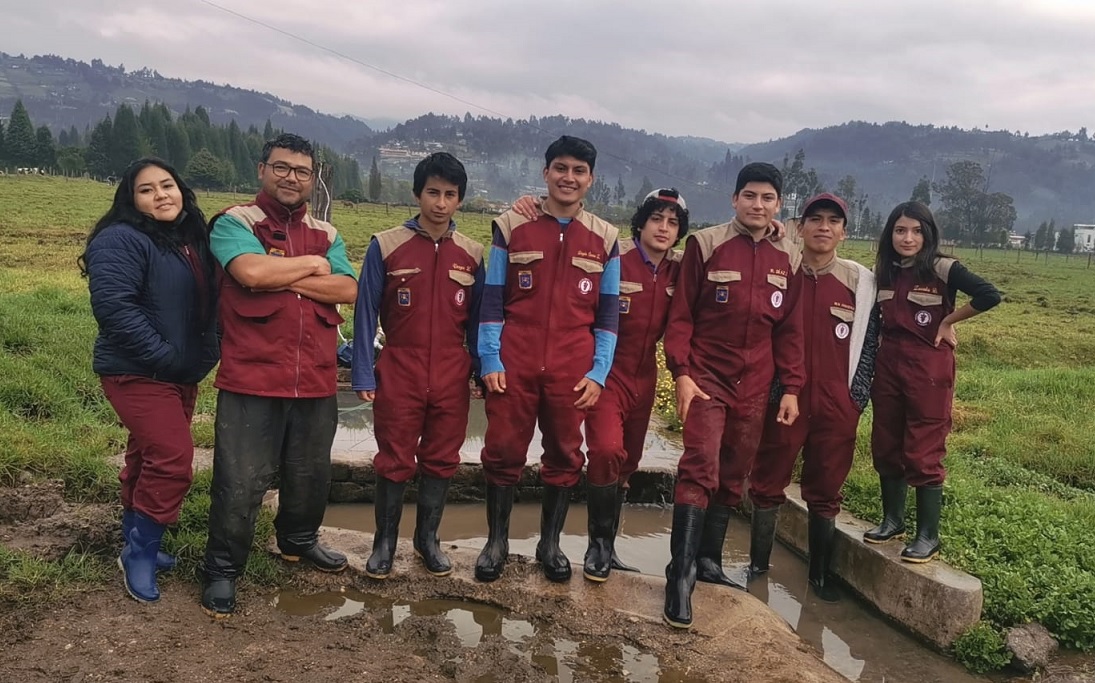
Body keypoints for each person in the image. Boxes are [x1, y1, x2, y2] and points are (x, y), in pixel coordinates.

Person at [199, 133, 359, 617]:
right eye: (282, 167)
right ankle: (222, 569)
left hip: (315, 377)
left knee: (310, 474)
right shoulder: (234, 222)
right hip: (252, 379)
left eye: (302, 171)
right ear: (262, 170)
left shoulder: (327, 234)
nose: (292, 178)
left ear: (314, 179)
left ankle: (298, 540)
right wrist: (310, 269)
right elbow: (249, 273)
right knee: (240, 480)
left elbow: (348, 287)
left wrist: (285, 269)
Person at [513, 188, 687, 582]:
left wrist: (777, 230)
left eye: (673, 222)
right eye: (656, 219)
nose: (663, 228)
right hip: (607, 370)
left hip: (646, 375)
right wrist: (532, 203)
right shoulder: (616, 257)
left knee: (627, 462)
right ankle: (596, 547)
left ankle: (610, 545)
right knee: (605, 450)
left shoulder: (680, 269)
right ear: (640, 222)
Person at [662, 162, 805, 629]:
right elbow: (681, 316)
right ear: (734, 199)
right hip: (706, 375)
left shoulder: (791, 255)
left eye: (767, 198)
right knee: (699, 465)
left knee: (734, 472)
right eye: (749, 196)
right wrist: (681, 372)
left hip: (756, 382)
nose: (757, 205)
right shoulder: (705, 244)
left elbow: (790, 332)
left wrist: (792, 389)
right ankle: (679, 575)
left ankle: (708, 562)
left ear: (778, 204)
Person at [475, 135, 620, 584]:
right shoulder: (512, 226)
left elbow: (609, 315)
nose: (568, 178)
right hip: (514, 361)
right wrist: (489, 359)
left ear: (591, 179)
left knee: (565, 454)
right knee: (501, 451)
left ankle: (550, 544)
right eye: (561, 168)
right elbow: (493, 300)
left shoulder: (605, 238)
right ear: (545, 173)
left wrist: (598, 372)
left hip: (572, 368)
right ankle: (496, 541)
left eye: (579, 171)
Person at [80, 157, 219, 603]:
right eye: (147, 189)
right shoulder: (121, 238)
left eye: (168, 184)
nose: (161, 195)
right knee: (174, 460)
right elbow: (115, 310)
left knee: (147, 454)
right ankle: (140, 554)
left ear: (181, 189)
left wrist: (203, 353)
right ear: (131, 199)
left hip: (179, 372)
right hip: (136, 371)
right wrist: (164, 355)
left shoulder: (188, 238)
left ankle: (136, 539)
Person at [351, 152, 484, 579]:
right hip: (400, 365)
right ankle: (384, 543)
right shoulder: (386, 245)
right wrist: (363, 370)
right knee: (393, 457)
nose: (440, 203)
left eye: (449, 195)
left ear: (460, 200)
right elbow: (365, 311)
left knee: (442, 457)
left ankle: (428, 540)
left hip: (451, 369)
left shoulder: (472, 253)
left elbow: (481, 321)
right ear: (417, 193)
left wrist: (480, 368)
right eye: (432, 193)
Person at [747, 193, 879, 601]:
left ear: (844, 231)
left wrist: (856, 398)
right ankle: (757, 567)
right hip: (784, 398)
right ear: (800, 227)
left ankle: (819, 577)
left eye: (833, 221)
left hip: (837, 404)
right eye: (815, 219)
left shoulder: (861, 281)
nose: (824, 227)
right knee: (768, 480)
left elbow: (872, 344)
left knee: (826, 488)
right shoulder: (780, 270)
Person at [863, 201, 1000, 562]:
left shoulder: (943, 267)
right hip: (889, 361)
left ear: (928, 234)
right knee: (886, 441)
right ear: (889, 233)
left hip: (929, 365)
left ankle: (928, 535)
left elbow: (989, 295)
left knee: (923, 446)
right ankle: (892, 520)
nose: (908, 238)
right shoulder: (885, 270)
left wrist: (948, 320)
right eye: (900, 230)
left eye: (916, 231)